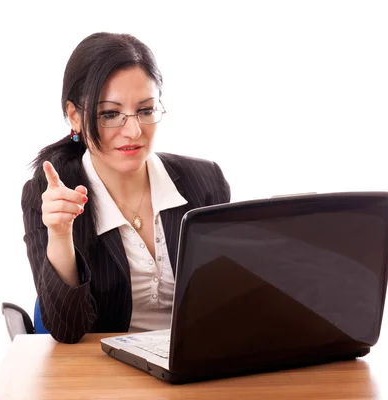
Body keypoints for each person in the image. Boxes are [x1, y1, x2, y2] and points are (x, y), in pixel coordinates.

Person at [21, 32, 231, 344]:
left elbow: (226, 303)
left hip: (194, 368)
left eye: (145, 111)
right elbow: (67, 331)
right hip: (106, 377)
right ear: (74, 116)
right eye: (110, 114)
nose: (133, 131)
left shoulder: (204, 182)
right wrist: (61, 235)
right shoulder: (51, 196)